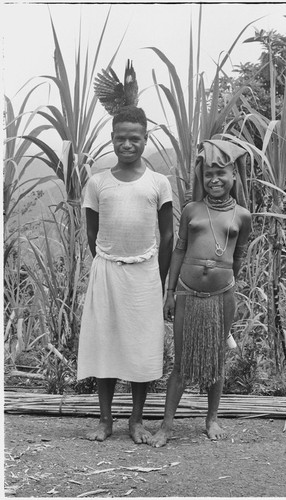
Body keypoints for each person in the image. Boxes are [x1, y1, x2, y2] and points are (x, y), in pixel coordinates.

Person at [77, 106, 174, 443]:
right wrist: (110, 263)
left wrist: (157, 279)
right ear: (112, 139)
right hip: (106, 271)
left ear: (146, 139)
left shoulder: (158, 183)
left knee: (141, 346)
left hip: (146, 274)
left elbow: (168, 237)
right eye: (121, 138)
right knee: (105, 343)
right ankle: (105, 421)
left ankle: (136, 421)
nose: (128, 143)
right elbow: (92, 234)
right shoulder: (98, 182)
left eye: (135, 138)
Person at [149, 137, 252, 448]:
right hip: (187, 294)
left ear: (234, 176)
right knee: (181, 363)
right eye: (208, 174)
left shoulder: (242, 216)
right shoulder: (193, 209)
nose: (215, 179)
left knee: (215, 361)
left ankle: (211, 419)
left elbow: (239, 256)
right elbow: (179, 250)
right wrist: (169, 292)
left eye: (221, 173)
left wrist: (223, 280)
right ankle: (167, 425)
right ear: (201, 178)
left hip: (223, 296)